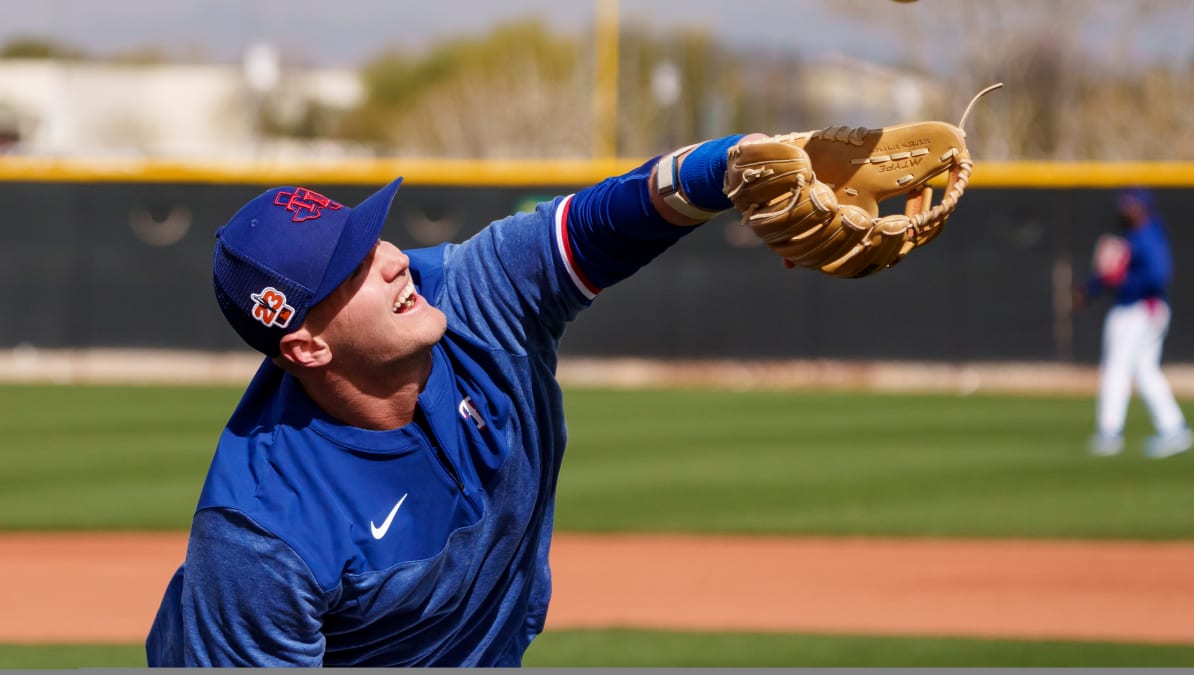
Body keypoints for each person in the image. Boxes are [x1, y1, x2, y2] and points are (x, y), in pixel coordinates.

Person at [146, 133, 759, 666]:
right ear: (307, 349)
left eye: (370, 237)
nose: (391, 261)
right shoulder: (262, 536)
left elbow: (608, 217)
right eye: (349, 270)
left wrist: (736, 167)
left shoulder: (464, 297)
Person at [1073, 187, 1193, 459]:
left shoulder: (1146, 236)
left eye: (1130, 205)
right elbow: (1109, 276)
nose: (1124, 209)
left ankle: (1109, 433)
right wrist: (1089, 290)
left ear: (1143, 207)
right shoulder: (1135, 237)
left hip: (1138, 309)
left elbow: (1157, 276)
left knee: (1117, 368)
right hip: (1142, 309)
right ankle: (1174, 428)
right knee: (1145, 370)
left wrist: (1120, 280)